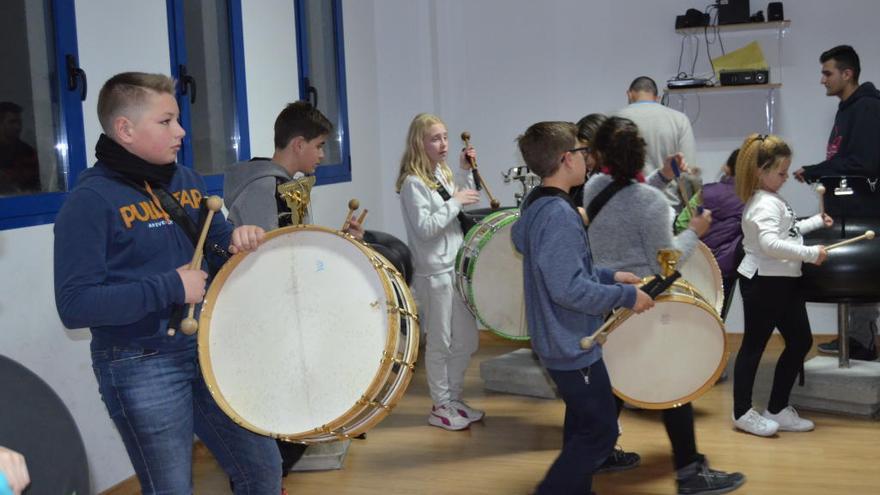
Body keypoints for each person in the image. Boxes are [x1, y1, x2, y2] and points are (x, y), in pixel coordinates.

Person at [53, 72, 280, 494]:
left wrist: (234, 239)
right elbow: (75, 304)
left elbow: (212, 239)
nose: (181, 131)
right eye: (166, 121)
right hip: (138, 363)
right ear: (125, 129)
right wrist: (170, 288)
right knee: (170, 488)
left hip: (206, 351)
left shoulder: (187, 182)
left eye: (177, 120)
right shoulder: (90, 202)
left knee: (262, 468)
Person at [583, 116, 745, 495]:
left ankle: (598, 454)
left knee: (617, 377)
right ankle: (690, 473)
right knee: (674, 382)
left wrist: (662, 176)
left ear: (600, 154)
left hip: (607, 302)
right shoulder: (650, 202)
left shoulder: (593, 187)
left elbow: (624, 201)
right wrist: (695, 232)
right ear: (640, 154)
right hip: (642, 302)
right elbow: (666, 262)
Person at [224, 100, 364, 478]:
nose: (321, 155)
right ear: (298, 144)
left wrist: (338, 241)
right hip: (268, 317)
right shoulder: (263, 188)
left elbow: (294, 248)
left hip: (287, 312)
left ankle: (269, 481)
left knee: (296, 420)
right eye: (319, 146)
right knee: (280, 418)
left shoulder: (286, 186)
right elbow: (265, 262)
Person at [510, 120, 652, 495]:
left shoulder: (539, 203)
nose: (587, 158)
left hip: (563, 337)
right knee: (600, 432)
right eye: (581, 151)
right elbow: (567, 289)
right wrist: (626, 298)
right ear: (565, 158)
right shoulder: (559, 215)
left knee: (581, 427)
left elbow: (562, 268)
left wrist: (608, 276)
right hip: (571, 342)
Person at [732, 133, 833, 437]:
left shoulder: (771, 198)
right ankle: (742, 413)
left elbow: (787, 232)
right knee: (753, 346)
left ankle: (776, 408)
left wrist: (816, 222)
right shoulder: (763, 203)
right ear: (760, 171)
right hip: (764, 282)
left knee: (800, 341)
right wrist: (810, 253)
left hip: (782, 282)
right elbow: (770, 244)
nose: (786, 177)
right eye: (781, 172)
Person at [396, 113, 483, 431]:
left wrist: (464, 174)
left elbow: (464, 206)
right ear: (420, 142)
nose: (443, 143)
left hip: (455, 269)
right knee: (440, 342)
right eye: (435, 138)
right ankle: (440, 404)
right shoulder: (412, 183)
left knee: (466, 340)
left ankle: (454, 399)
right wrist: (456, 201)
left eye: (445, 136)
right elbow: (427, 228)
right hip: (432, 274)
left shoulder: (441, 173)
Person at [794, 45, 880, 361]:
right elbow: (846, 158)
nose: (822, 80)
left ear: (848, 73)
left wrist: (816, 170)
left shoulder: (868, 107)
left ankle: (861, 342)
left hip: (863, 209)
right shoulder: (848, 108)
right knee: (850, 276)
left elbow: (865, 162)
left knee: (859, 273)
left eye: (827, 73)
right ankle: (856, 339)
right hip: (847, 207)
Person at [676, 149, 746, 320]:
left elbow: (680, 224)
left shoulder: (706, 192)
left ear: (727, 168)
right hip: (725, 269)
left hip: (696, 264)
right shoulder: (752, 199)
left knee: (688, 316)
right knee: (716, 319)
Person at [616, 76, 699, 213]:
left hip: (628, 207)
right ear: (657, 98)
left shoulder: (616, 120)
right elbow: (688, 171)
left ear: (629, 94)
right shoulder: (679, 120)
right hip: (668, 207)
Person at [0, 101, 40, 194]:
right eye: (12, 122)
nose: (18, 126)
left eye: (19, 122)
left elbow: (34, 183)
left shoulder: (27, 151)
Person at [569, 113, 607, 206]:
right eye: (579, 152)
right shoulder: (579, 183)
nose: (582, 158)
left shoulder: (618, 184)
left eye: (586, 151)